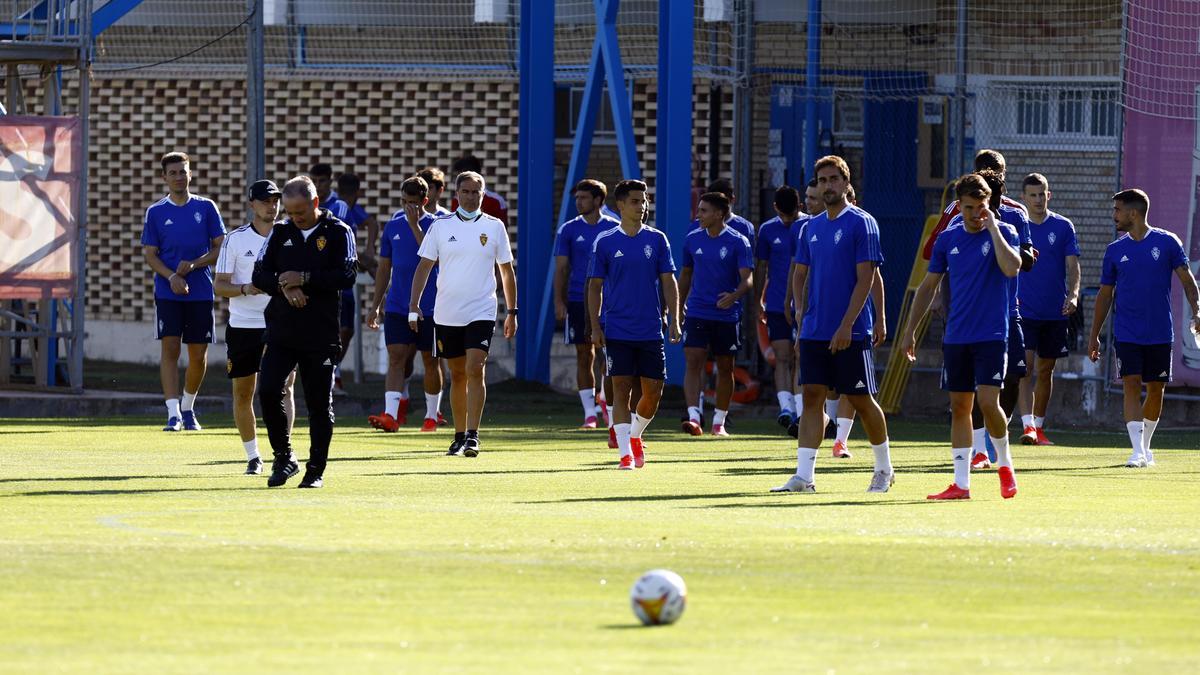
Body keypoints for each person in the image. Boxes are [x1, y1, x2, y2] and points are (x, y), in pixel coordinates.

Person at [772, 155, 894, 494]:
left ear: (845, 182)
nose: (827, 186)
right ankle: (804, 477)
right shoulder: (810, 227)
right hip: (814, 329)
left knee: (860, 399)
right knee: (811, 397)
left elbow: (867, 277)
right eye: (821, 180)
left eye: (833, 179)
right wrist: (800, 316)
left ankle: (884, 469)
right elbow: (800, 273)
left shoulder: (862, 222)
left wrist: (847, 325)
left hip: (850, 331)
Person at [899, 173, 1021, 500]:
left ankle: (1005, 466)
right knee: (958, 407)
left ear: (988, 204)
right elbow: (928, 288)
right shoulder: (947, 239)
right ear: (959, 207)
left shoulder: (1004, 232)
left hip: (992, 335)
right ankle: (961, 484)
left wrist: (994, 227)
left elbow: (1012, 268)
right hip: (956, 336)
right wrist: (910, 330)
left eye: (980, 206)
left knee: (987, 401)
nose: (974, 214)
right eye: (967, 207)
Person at [252, 176, 357, 488]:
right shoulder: (281, 231)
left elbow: (347, 274)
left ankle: (315, 470)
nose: (294, 218)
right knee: (268, 390)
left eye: (300, 212)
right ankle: (284, 457)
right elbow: (260, 274)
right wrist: (287, 286)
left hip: (320, 333)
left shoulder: (338, 231)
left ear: (314, 203)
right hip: (282, 329)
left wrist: (305, 278)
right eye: (290, 212)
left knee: (318, 404)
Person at [1088, 189, 1200, 468]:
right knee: (1131, 384)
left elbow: (1188, 281)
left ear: (1133, 213)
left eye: (1117, 210)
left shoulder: (1167, 242)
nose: (1114, 215)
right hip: (1127, 333)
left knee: (1156, 389)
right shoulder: (1114, 250)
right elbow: (1104, 295)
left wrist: (1197, 312)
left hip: (1160, 332)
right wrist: (1094, 337)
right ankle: (1137, 450)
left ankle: (1145, 446)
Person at [410, 171, 517, 458]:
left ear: (484, 195)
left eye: (476, 192)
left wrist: (512, 311)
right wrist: (414, 305)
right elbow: (424, 267)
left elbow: (506, 271)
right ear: (456, 194)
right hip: (447, 312)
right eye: (466, 192)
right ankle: (458, 436)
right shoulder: (440, 227)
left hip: (481, 309)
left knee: (475, 368)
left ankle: (473, 435)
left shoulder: (495, 227)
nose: (471, 197)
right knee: (457, 374)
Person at [588, 179, 682, 468]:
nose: (641, 206)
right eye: (634, 201)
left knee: (653, 392)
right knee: (621, 389)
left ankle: (635, 434)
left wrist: (675, 319)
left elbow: (669, 281)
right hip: (617, 329)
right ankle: (625, 453)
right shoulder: (605, 241)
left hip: (651, 329)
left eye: (644, 201)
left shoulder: (657, 239)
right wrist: (595, 326)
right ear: (620, 205)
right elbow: (594, 287)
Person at [140, 151, 226, 432]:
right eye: (173, 172)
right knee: (170, 348)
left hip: (200, 292)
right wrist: (172, 276)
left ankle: (189, 406)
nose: (179, 177)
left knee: (198, 355)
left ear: (190, 174)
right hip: (168, 293)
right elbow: (151, 255)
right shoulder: (155, 212)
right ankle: (172, 412)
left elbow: (219, 248)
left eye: (183, 171)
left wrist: (193, 266)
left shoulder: (207, 207)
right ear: (164, 177)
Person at [213, 180, 295, 474]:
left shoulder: (289, 235)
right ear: (251, 204)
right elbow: (219, 285)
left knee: (284, 388)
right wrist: (247, 288)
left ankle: (284, 452)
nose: (271, 206)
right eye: (264, 201)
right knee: (243, 392)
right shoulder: (235, 240)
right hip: (243, 325)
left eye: (274, 200)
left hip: (282, 323)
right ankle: (253, 456)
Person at [367, 176, 444, 433]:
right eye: (403, 202)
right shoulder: (392, 227)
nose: (407, 207)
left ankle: (431, 416)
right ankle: (390, 414)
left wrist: (414, 226)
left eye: (413, 202)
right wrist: (376, 304)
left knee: (430, 360)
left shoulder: (437, 225)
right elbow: (384, 268)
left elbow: (433, 258)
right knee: (396, 358)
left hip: (430, 307)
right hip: (398, 305)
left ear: (424, 201)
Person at [679, 192, 753, 437]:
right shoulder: (692, 240)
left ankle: (719, 422)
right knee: (693, 361)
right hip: (697, 311)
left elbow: (748, 280)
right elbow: (686, 277)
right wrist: (678, 307)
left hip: (726, 315)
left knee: (725, 367)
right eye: (698, 210)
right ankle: (693, 417)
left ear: (720, 213)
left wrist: (733, 296)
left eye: (703, 211)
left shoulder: (738, 241)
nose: (698, 215)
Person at [1016, 173, 1080, 446]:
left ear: (1049, 195)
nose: (1038, 199)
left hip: (1054, 311)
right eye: (1033, 195)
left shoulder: (1063, 226)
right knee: (1025, 368)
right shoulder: (1016, 227)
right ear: (1024, 198)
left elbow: (1073, 265)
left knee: (1046, 370)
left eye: (1042, 194)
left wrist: (1074, 295)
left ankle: (1039, 428)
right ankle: (1027, 426)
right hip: (1023, 311)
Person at [554, 179, 620, 428]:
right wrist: (558, 302)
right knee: (584, 354)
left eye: (583, 198)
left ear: (599, 201)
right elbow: (560, 268)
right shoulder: (568, 229)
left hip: (609, 301)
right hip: (577, 299)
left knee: (609, 354)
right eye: (577, 198)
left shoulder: (614, 228)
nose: (578, 202)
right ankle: (589, 413)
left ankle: (606, 398)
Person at [755, 185, 807, 429]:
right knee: (783, 357)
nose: (788, 221)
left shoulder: (808, 226)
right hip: (776, 304)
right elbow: (762, 268)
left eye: (792, 214)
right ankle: (786, 407)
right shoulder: (767, 230)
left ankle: (800, 410)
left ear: (800, 206)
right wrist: (758, 302)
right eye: (783, 216)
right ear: (776, 209)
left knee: (800, 356)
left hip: (805, 304)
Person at [450, 154, 509, 226]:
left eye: (460, 178)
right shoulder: (456, 200)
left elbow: (502, 232)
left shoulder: (496, 202)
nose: (456, 182)